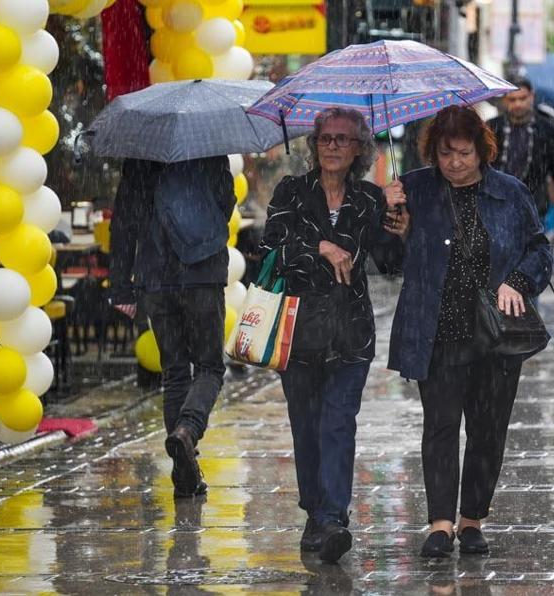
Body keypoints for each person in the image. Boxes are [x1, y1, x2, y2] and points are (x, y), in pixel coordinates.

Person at [383, 106, 553, 558]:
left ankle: (472, 518)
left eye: (463, 152)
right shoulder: (414, 189)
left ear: (482, 150)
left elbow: (540, 250)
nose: (455, 162)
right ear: (432, 152)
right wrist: (394, 224)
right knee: (439, 426)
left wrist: (516, 281)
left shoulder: (510, 193)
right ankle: (440, 523)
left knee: (488, 428)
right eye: (445, 153)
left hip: (495, 335)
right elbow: (386, 263)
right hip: (436, 329)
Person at [260, 107, 402, 564]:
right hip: (298, 331)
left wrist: (400, 223)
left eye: (343, 139)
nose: (334, 146)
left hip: (350, 334)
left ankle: (332, 518)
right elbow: (270, 247)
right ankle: (316, 512)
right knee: (307, 426)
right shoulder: (291, 191)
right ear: (314, 145)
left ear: (359, 148)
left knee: (338, 423)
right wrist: (319, 245)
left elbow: (391, 265)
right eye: (325, 138)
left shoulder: (369, 199)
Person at [109, 157, 235, 498]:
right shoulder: (207, 147)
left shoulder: (139, 157)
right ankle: (187, 431)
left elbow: (123, 221)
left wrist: (120, 284)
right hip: (203, 272)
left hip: (156, 276)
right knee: (209, 367)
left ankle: (185, 473)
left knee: (175, 371)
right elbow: (226, 200)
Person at [488, 77, 554, 233]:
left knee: (531, 254)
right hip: (496, 205)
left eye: (522, 98)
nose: (518, 104)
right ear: (505, 100)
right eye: (512, 99)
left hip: (534, 205)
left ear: (532, 96)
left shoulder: (548, 131)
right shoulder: (491, 129)